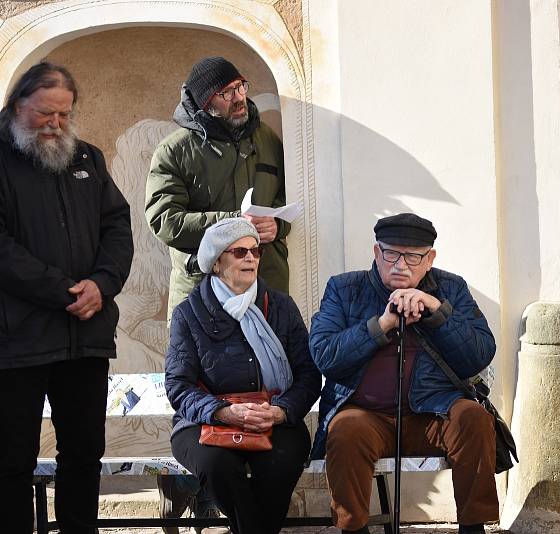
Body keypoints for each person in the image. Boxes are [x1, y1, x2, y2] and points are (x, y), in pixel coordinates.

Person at [145, 56, 290, 526]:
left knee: (267, 388)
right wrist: (229, 226)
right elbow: (163, 220)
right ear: (203, 102)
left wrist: (273, 228)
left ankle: (226, 496)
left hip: (264, 291)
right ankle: (196, 481)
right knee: (206, 389)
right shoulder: (174, 149)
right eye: (226, 93)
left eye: (241, 87)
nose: (238, 98)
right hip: (202, 297)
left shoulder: (266, 139)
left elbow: (281, 212)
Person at [0, 62, 133, 533]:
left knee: (83, 455)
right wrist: (61, 291)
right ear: (18, 104)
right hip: (17, 341)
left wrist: (102, 282)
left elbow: (117, 228)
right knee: (11, 460)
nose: (56, 125)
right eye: (45, 114)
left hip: (86, 334)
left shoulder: (88, 160)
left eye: (64, 114)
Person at [309, 213, 498, 534]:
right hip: (366, 414)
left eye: (413, 256)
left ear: (430, 259)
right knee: (345, 429)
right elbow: (325, 356)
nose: (400, 264)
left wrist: (436, 311)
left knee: (473, 418)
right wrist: (381, 324)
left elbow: (479, 355)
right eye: (391, 254)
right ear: (376, 253)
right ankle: (352, 528)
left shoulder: (450, 288)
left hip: (434, 412)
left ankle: (473, 526)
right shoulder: (344, 289)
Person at [165, 217, 320, 534]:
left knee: (282, 459)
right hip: (205, 421)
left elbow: (307, 373)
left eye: (256, 250)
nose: (251, 258)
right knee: (217, 465)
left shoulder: (280, 306)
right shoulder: (189, 312)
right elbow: (178, 386)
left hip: (272, 416)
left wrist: (281, 411)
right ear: (217, 262)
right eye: (239, 252)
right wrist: (222, 411)